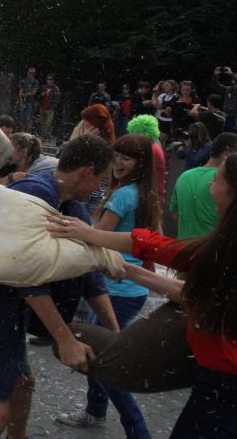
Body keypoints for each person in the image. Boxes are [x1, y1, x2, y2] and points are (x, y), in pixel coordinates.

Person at [47, 150, 237, 439]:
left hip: (230, 382)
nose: (209, 186)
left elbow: (176, 268)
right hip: (218, 376)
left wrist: (94, 239)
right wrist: (124, 266)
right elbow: (169, 259)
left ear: (236, 195)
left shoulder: (233, 254)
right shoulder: (231, 246)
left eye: (216, 181)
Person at [0, 135, 119, 439]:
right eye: (101, 180)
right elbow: (25, 275)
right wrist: (65, 339)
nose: (101, 188)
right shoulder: (33, 193)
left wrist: (115, 333)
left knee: (22, 384)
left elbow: (91, 272)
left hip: (3, 317)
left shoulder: (70, 206)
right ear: (87, 172)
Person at [55, 135, 157, 438]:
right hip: (132, 288)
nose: (119, 163)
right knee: (101, 355)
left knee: (104, 362)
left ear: (141, 163)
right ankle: (96, 411)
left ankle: (138, 430)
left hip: (117, 287)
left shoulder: (122, 195)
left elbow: (96, 238)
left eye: (127, 158)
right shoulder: (145, 194)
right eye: (117, 156)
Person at [170, 132, 237, 238]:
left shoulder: (184, 177)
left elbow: (176, 216)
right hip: (215, 247)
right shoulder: (229, 182)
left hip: (183, 245)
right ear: (226, 155)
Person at [37, 74, 60, 140]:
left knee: (48, 123)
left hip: (50, 109)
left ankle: (43, 136)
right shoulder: (44, 87)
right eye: (48, 79)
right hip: (42, 107)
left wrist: (52, 107)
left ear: (53, 80)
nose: (49, 81)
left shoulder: (55, 89)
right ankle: (48, 136)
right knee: (42, 122)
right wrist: (42, 95)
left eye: (50, 79)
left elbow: (57, 99)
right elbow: (38, 97)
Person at [17, 68, 39, 133]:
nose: (31, 74)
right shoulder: (23, 81)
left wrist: (24, 94)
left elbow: (33, 93)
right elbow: (20, 93)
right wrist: (21, 100)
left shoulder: (36, 82)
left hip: (31, 103)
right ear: (27, 73)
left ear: (35, 74)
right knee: (22, 120)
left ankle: (28, 135)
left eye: (33, 73)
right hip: (23, 102)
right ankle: (22, 135)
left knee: (29, 121)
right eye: (30, 73)